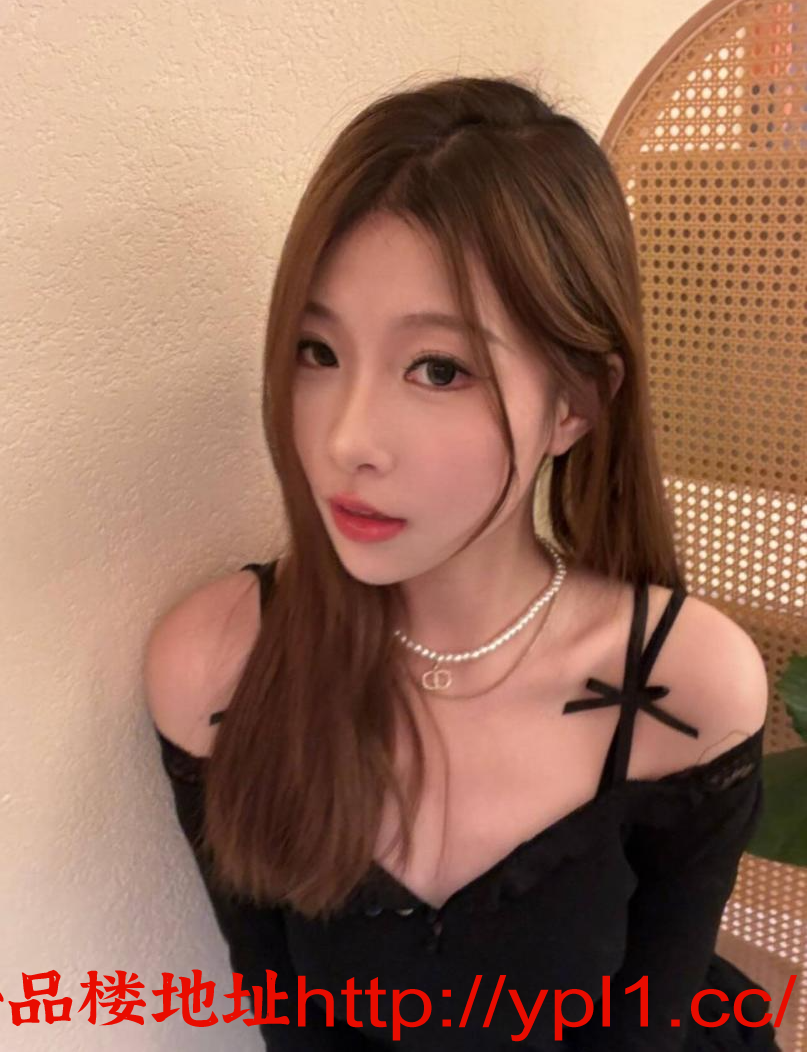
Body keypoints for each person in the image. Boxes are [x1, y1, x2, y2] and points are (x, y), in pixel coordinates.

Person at [144, 75, 781, 1049]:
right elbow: (293, 1026)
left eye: (437, 369)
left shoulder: (683, 683)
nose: (348, 439)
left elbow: (649, 1025)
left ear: (575, 403)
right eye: (317, 351)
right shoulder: (220, 666)